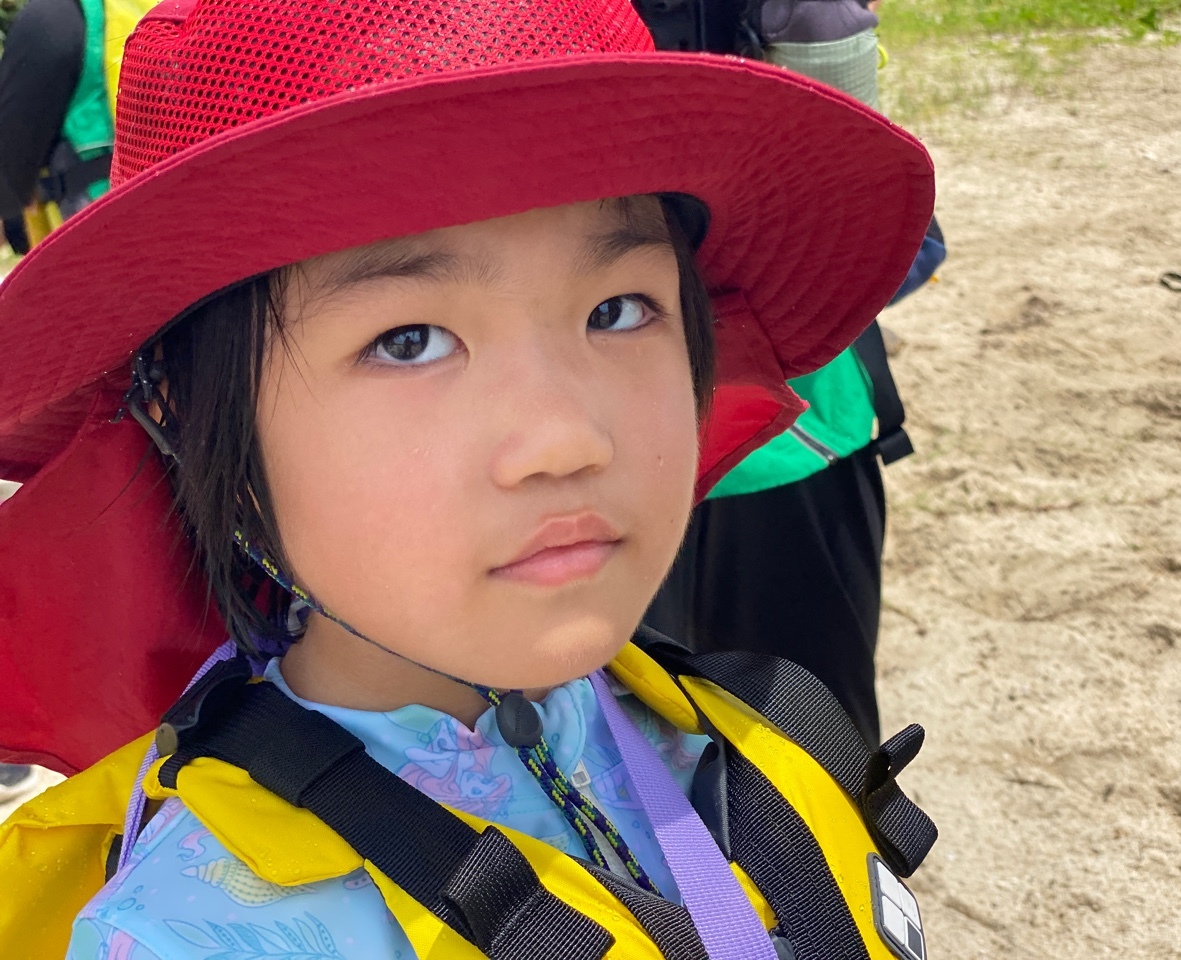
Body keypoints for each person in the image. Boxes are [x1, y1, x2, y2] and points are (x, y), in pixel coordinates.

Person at [0, 0, 938, 957]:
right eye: (410, 341)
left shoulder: (745, 735)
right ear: (187, 418)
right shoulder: (199, 932)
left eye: (618, 310)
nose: (566, 439)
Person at [644, 0, 943, 746]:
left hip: (565, 435)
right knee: (807, 747)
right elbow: (876, 227)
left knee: (623, 749)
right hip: (783, 427)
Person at [0, 0, 159, 252]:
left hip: (102, 257)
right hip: (195, 240)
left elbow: (7, 183)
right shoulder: (171, 8)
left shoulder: (50, 21)